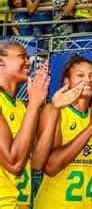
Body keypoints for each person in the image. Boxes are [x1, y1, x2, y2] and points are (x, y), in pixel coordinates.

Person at [33, 55, 92, 207]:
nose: (88, 80)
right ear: (67, 82)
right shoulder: (54, 110)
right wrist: (91, 127)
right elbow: (50, 167)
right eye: (80, 75)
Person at [0, 40, 49, 208]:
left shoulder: (22, 107)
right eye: (22, 56)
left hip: (21, 203)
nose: (29, 62)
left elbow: (37, 162)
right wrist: (34, 104)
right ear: (1, 60)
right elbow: (14, 164)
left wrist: (55, 107)